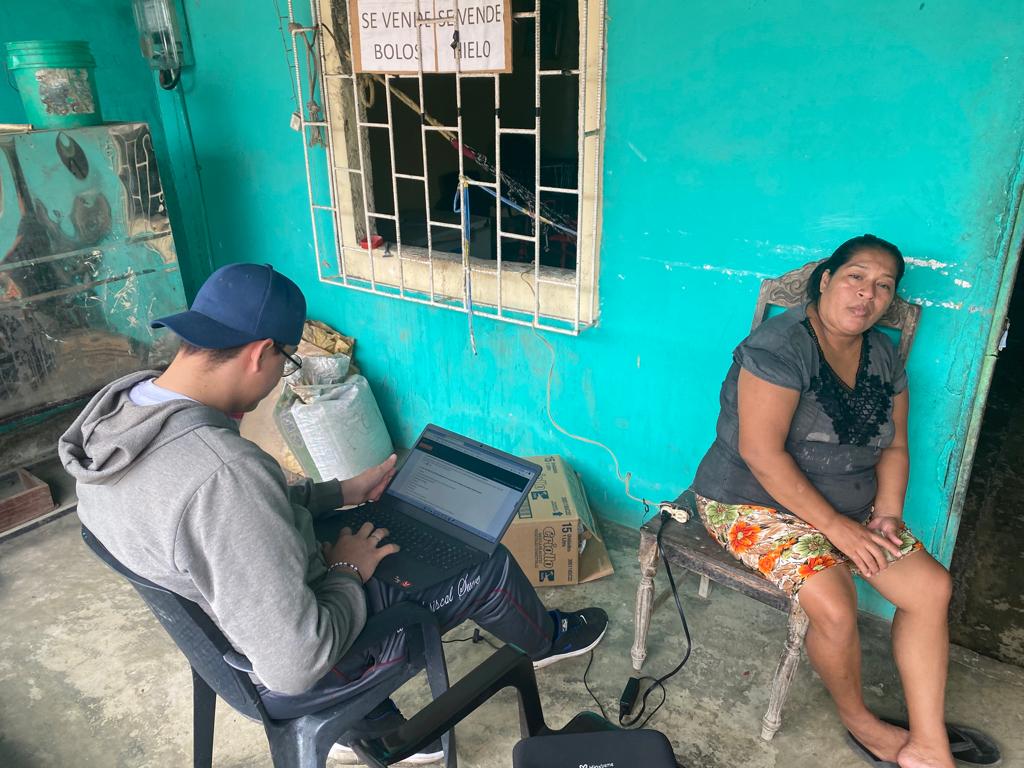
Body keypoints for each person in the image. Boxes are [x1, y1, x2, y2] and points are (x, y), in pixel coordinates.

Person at [60, 263, 607, 764]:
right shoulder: (224, 473)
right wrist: (348, 569)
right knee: (483, 563)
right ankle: (547, 641)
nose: (281, 376)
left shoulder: (116, 420)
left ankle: (370, 723)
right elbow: (296, 663)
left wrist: (342, 492)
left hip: (223, 638)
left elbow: (217, 519)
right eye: (287, 362)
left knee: (373, 528)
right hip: (292, 671)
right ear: (261, 353)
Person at [688, 235, 955, 768]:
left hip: (851, 508)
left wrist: (887, 514)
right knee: (834, 603)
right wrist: (838, 528)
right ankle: (861, 722)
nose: (868, 294)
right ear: (827, 280)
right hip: (751, 502)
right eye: (856, 277)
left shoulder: (882, 355)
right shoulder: (779, 347)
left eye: (884, 286)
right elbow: (761, 454)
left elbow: (895, 446)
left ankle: (929, 742)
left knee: (931, 588)